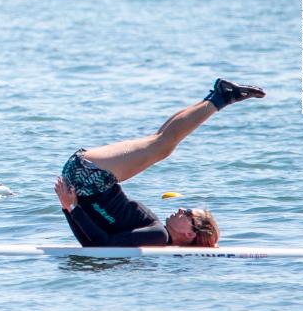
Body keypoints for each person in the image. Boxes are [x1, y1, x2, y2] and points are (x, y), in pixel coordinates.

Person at [55, 79, 265, 248]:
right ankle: (217, 97)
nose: (182, 208)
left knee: (161, 144)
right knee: (161, 143)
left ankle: (219, 97)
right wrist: (71, 209)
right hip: (88, 179)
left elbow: (97, 245)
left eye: (189, 214)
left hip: (89, 177)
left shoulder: (158, 236)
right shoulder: (156, 235)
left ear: (190, 233)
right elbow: (98, 245)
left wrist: (69, 209)